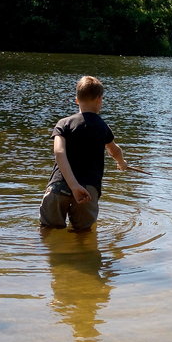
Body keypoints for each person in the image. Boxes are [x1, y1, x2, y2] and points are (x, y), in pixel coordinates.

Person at [40, 75, 128, 232]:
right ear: (100, 100)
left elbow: (59, 152)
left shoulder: (63, 123)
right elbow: (115, 150)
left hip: (59, 186)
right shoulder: (103, 127)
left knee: (48, 231)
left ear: (76, 100)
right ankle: (82, 255)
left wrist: (73, 185)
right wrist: (121, 163)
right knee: (83, 234)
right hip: (88, 191)